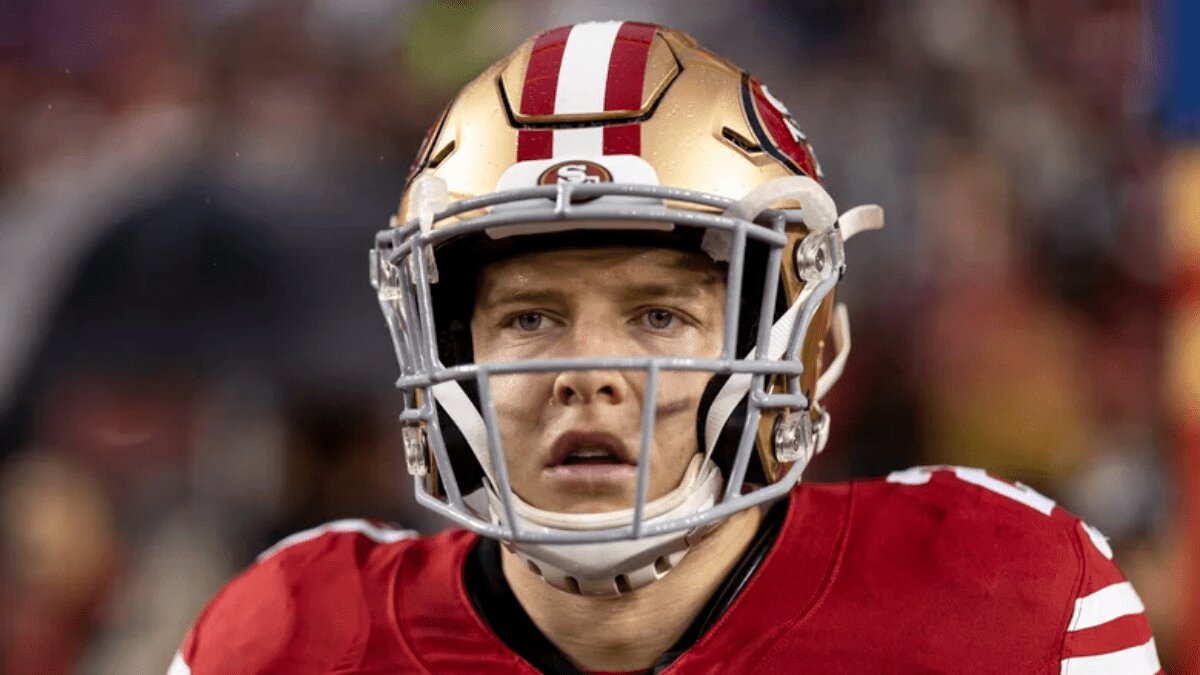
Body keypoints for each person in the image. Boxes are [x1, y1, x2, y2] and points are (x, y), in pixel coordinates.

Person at [171, 22, 1160, 674]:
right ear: (444, 341)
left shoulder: (1002, 605)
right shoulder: (287, 639)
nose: (588, 374)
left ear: (790, 339)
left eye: (658, 315)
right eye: (529, 318)